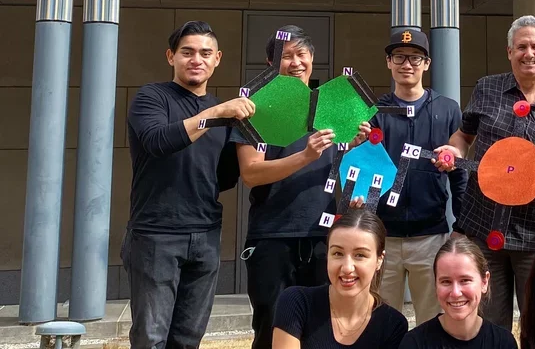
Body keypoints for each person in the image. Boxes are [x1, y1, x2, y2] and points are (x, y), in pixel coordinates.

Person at [435, 15, 535, 331]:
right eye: (521, 47)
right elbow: (464, 136)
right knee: (490, 322)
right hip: (484, 226)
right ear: (509, 52)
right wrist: (453, 151)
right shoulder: (487, 88)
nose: (528, 53)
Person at [123, 20, 255, 349]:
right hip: (156, 234)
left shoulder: (226, 117)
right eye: (188, 52)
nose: (196, 59)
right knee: (150, 338)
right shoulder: (151, 98)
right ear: (171, 57)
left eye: (205, 53)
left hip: (206, 235)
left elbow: (224, 177)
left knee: (188, 339)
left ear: (217, 59)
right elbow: (157, 140)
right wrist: (216, 113)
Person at [233, 26, 336, 349]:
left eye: (301, 54)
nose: (295, 62)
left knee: (323, 330)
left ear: (312, 59)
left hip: (324, 236)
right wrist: (306, 155)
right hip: (273, 237)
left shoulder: (330, 106)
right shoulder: (257, 108)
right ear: (270, 62)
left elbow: (348, 163)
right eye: (286, 56)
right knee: (271, 329)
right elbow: (251, 172)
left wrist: (357, 143)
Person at [371, 29, 468, 325]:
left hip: (431, 233)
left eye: (415, 58)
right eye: (399, 57)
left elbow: (459, 174)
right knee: (381, 320)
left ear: (427, 63)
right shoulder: (376, 111)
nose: (407, 64)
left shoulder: (447, 109)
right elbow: (363, 168)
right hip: (384, 236)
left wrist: (460, 226)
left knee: (433, 320)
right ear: (389, 62)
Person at [272, 209, 408, 349]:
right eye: (338, 253)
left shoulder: (393, 324)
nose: (347, 268)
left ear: (379, 260)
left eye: (360, 255)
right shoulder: (296, 302)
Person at [398, 236, 518, 348]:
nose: (455, 293)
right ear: (435, 284)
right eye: (446, 281)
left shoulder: (503, 342)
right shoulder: (414, 343)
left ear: (484, 282)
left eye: (465, 280)